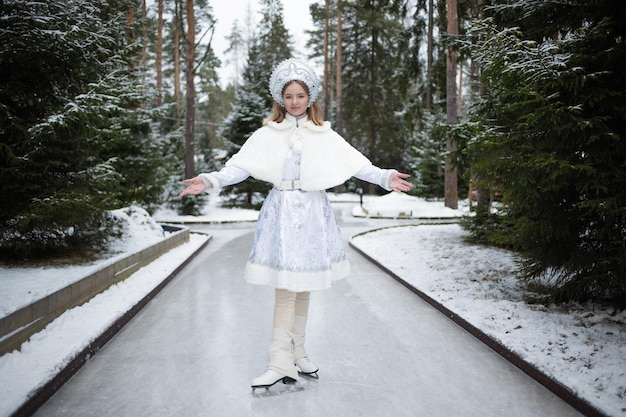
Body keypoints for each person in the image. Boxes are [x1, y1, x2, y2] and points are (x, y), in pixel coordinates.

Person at [179, 58, 413, 390]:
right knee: (286, 286)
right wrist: (210, 180)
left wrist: (386, 177)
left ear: (310, 97)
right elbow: (239, 166)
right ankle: (279, 361)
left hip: (314, 210)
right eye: (288, 96)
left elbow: (357, 163)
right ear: (280, 98)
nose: (294, 102)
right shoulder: (267, 134)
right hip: (283, 211)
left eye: (300, 95)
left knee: (303, 285)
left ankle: (298, 351)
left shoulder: (323, 134)